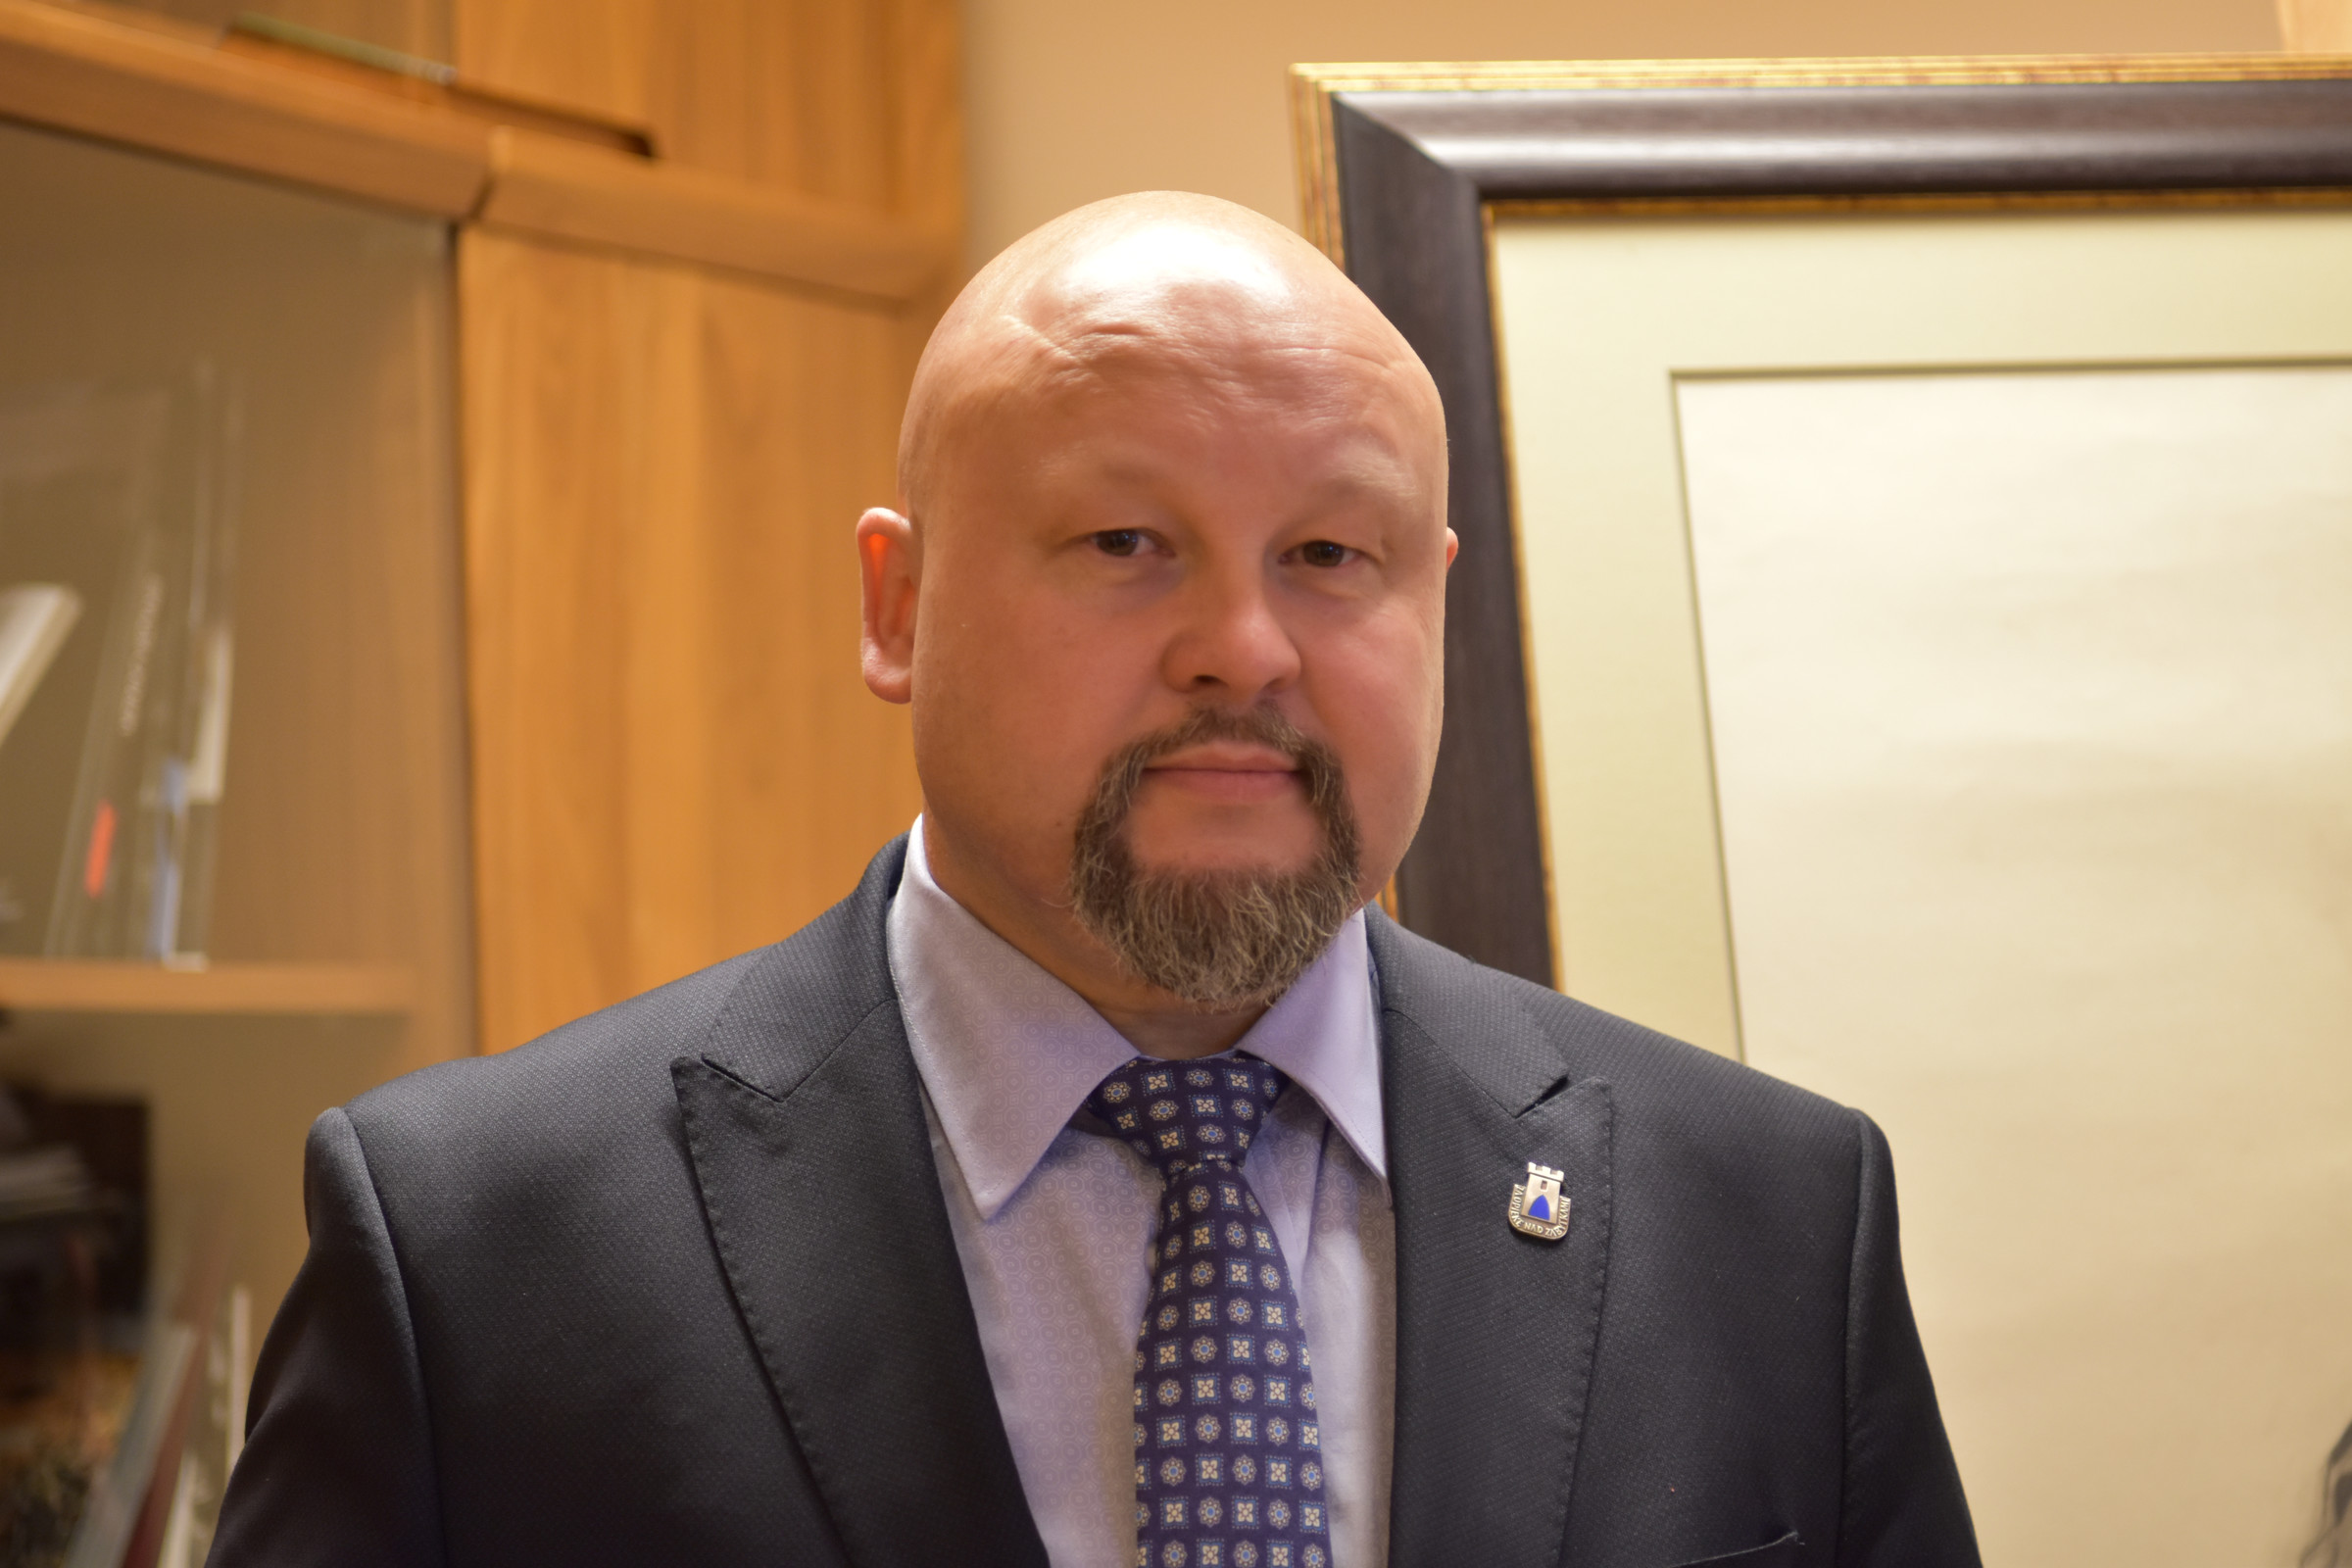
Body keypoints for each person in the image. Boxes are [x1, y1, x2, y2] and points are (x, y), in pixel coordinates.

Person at [208, 192, 1978, 1568]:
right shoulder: (474, 1252)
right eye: (1125, 542)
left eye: (1330, 552)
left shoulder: (1769, 1221)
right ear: (899, 608)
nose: (1243, 645)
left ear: (1434, 594)